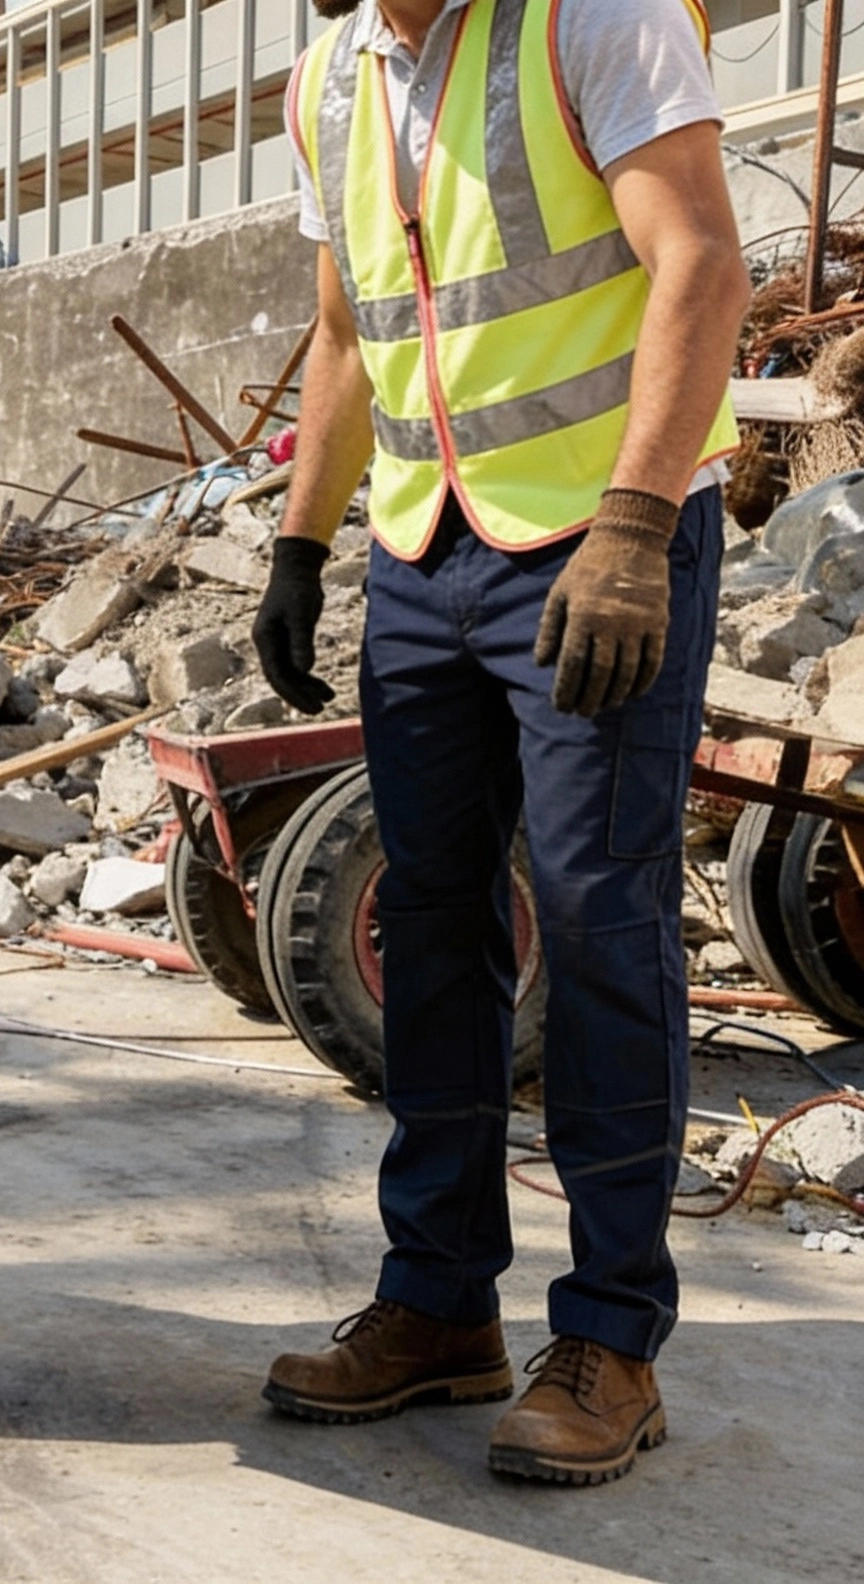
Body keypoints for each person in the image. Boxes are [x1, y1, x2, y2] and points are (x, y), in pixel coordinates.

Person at [250, 0, 746, 1484]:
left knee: (600, 919)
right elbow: (353, 326)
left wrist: (640, 527)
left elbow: (704, 265)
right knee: (439, 910)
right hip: (424, 551)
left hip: (599, 537)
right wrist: (300, 539)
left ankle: (610, 1339)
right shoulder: (330, 76)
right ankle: (439, 1300)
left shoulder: (596, 18)